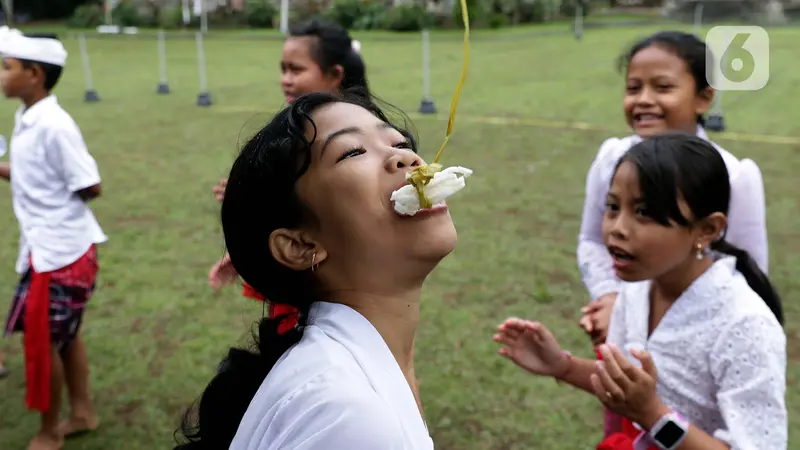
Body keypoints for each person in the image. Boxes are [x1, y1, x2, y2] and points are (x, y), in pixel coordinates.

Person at [175, 92, 449, 449]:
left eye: (398, 141)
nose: (406, 157)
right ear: (300, 247)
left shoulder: (356, 384)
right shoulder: (352, 418)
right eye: (353, 151)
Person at [496, 133, 786, 450]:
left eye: (644, 212)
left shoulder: (745, 326)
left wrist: (654, 417)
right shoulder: (637, 289)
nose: (617, 228)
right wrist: (562, 366)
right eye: (612, 206)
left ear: (706, 230)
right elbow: (631, 386)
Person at [577, 30, 768, 351]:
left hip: (700, 341)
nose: (644, 100)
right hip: (623, 334)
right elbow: (592, 240)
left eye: (663, 87)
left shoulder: (734, 176)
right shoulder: (611, 158)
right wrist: (610, 298)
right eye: (633, 88)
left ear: (704, 97)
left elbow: (748, 272)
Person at [208, 19, 369, 331]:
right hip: (298, 289)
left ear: (334, 75)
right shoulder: (296, 136)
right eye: (283, 70)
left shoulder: (357, 140)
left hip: (344, 297)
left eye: (296, 70)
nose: (286, 80)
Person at [0, 32, 105, 450]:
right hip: (43, 249)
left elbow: (90, 185)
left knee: (44, 341)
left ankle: (49, 432)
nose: (1, 73)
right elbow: (34, 176)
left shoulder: (56, 126)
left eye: (7, 66)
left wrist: (59, 205)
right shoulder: (28, 117)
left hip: (62, 253)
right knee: (67, 336)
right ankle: (83, 413)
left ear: (34, 74)